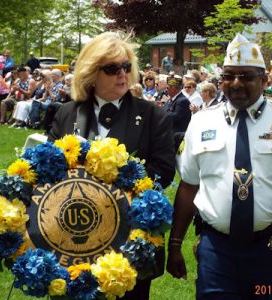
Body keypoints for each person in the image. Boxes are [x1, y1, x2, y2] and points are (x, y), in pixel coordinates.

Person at [166, 33, 272, 300]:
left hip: (269, 246)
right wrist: (175, 244)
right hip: (215, 248)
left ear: (264, 81)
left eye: (246, 76)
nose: (236, 83)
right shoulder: (201, 122)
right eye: (229, 76)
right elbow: (188, 187)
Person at [48, 31, 176, 300]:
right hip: (73, 238)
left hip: (128, 241)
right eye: (112, 68)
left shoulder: (153, 115)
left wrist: (118, 174)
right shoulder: (66, 112)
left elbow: (164, 172)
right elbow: (48, 169)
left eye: (126, 66)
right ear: (91, 73)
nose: (122, 74)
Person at [164, 75, 191, 150]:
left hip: (177, 138)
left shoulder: (182, 101)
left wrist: (161, 113)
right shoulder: (170, 100)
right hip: (169, 135)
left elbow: (176, 117)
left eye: (167, 88)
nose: (166, 90)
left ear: (173, 89)